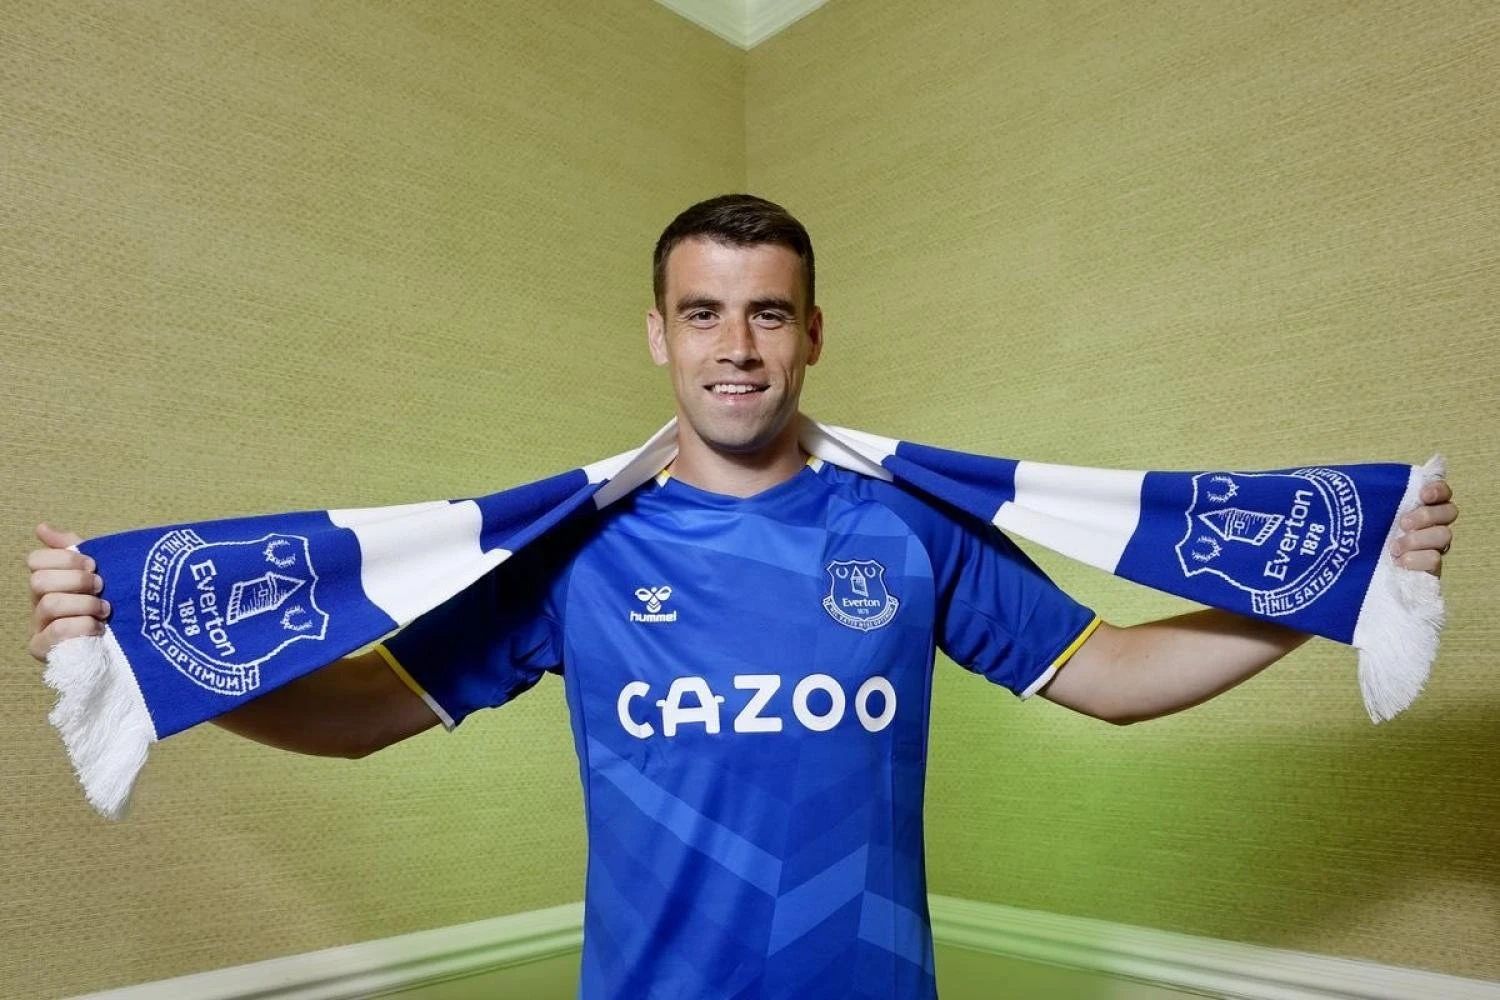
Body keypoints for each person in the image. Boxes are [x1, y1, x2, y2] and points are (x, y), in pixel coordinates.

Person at [27, 194, 1458, 998]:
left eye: (767, 312)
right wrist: (151, 664)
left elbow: (1118, 677)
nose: (736, 346)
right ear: (658, 335)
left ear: (811, 333)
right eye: (703, 312)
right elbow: (352, 718)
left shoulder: (911, 529)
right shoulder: (574, 553)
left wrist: (1337, 584)